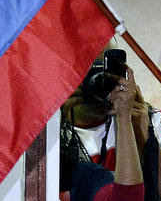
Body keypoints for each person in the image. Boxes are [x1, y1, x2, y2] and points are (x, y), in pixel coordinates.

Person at [61, 44, 161, 201]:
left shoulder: (147, 119)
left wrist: (141, 133)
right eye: (82, 73)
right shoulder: (47, 131)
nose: (92, 83)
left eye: (100, 74)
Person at [60, 67, 145, 201]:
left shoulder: (143, 117)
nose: (89, 80)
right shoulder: (50, 133)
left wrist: (131, 124)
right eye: (81, 70)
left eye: (100, 69)